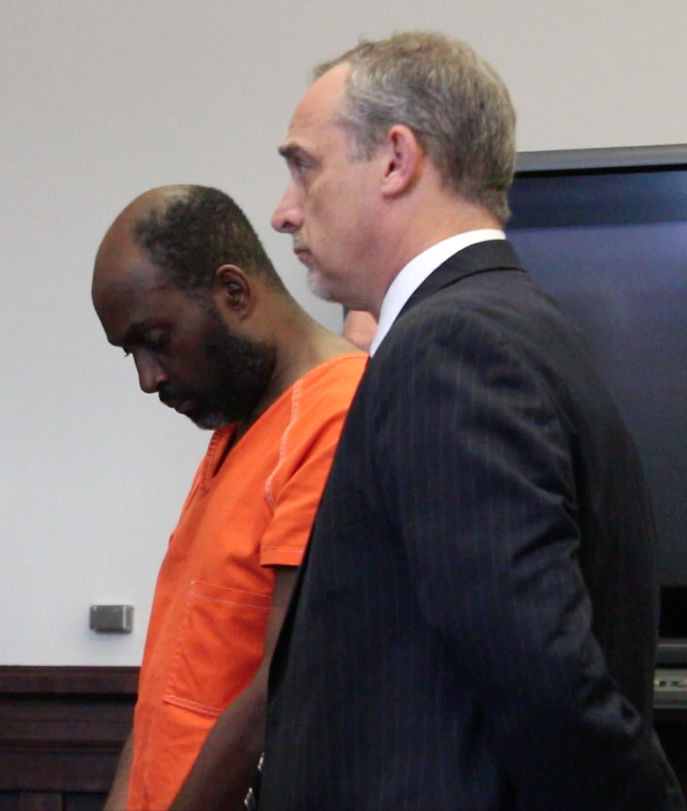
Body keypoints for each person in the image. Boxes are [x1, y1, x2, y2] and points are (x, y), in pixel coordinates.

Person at [260, 31, 686, 809]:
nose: (284, 212)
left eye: (303, 166)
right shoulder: (514, 325)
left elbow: (544, 675)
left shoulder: (453, 345)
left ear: (395, 159)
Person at [91, 185, 366, 811]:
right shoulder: (236, 426)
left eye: (155, 338)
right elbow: (172, 685)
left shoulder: (338, 413)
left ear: (233, 292)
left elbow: (280, 688)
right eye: (130, 353)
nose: (148, 377)